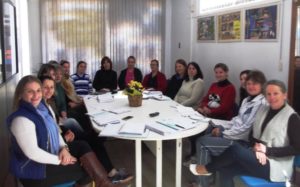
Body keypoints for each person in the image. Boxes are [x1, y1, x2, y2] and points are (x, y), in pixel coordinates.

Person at [6, 75, 127, 187]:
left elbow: (55, 130)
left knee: (82, 146)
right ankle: (103, 184)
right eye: (30, 91)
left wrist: (64, 148)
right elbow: (33, 153)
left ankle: (103, 183)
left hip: (50, 153)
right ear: (21, 94)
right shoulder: (21, 119)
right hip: (34, 171)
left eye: (38, 90)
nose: (36, 95)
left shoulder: (43, 109)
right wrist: (61, 160)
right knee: (86, 168)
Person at [190, 80, 300, 187]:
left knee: (234, 149)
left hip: (276, 166)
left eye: (276, 93)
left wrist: (267, 151)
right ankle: (209, 169)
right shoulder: (264, 109)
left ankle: (207, 168)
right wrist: (257, 147)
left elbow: (297, 148)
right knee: (225, 168)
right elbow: (252, 135)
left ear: (284, 95)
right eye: (268, 94)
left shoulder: (292, 117)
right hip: (259, 157)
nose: (272, 97)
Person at [40, 76, 133, 184]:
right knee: (92, 140)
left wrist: (65, 131)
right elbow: (48, 133)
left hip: (63, 137)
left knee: (95, 137)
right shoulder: (40, 107)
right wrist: (63, 140)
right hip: (59, 145)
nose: (49, 90)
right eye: (45, 87)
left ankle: (109, 171)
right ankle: (110, 174)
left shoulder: (47, 104)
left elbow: (55, 125)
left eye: (51, 87)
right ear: (40, 87)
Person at [191, 70, 266, 187]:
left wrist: (223, 133)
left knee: (202, 142)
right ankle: (209, 178)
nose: (251, 86)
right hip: (234, 133)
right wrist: (221, 126)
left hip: (242, 141)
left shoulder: (261, 103)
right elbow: (237, 120)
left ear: (262, 85)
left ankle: (202, 182)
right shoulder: (247, 100)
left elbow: (245, 129)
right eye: (249, 83)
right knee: (209, 131)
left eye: (255, 83)